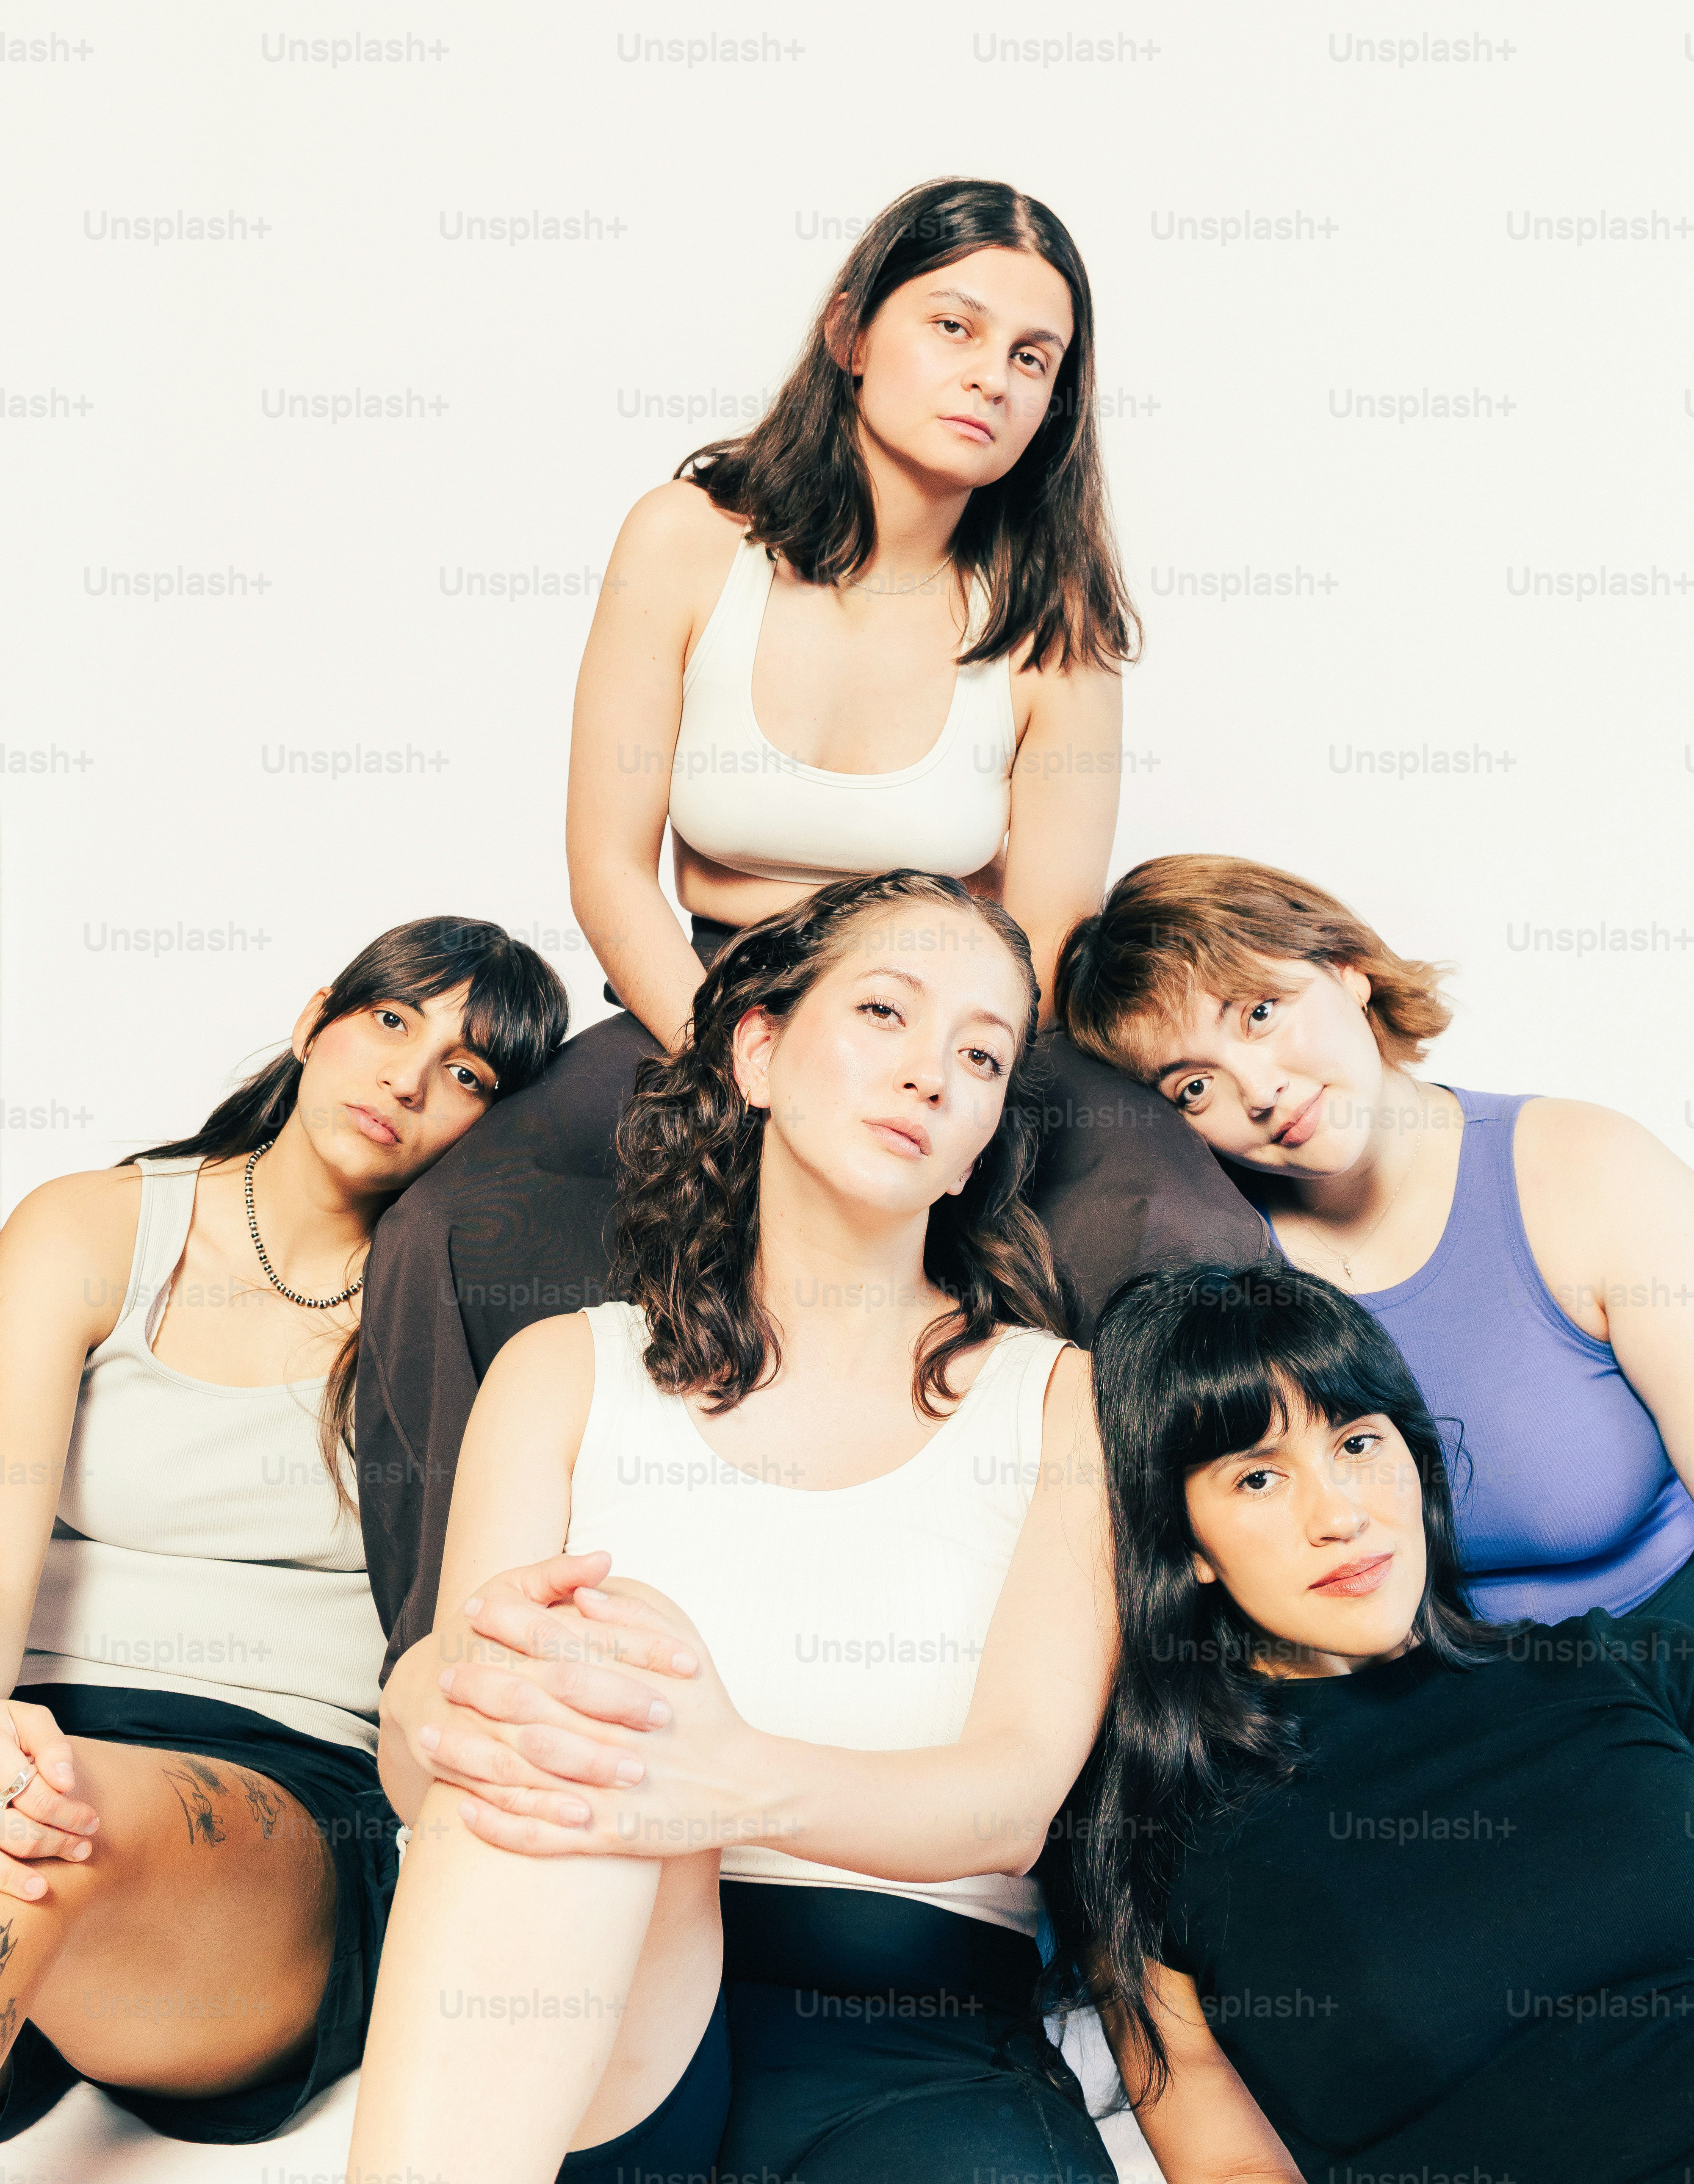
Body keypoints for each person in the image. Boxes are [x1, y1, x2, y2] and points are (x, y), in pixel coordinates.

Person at [355, 177, 1265, 1666]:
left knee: (1188, 1237)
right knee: (451, 1235)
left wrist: (925, 1062)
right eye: (954, 325)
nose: (992, 373)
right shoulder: (687, 537)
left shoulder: (1059, 614)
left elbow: (1038, 931)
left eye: (1036, 357)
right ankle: (456, 1689)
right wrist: (749, 1059)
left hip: (961, 1016)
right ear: (851, 331)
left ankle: (1179, 1732)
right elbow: (607, 868)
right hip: (704, 998)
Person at [346, 873, 1120, 2184]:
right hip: (589, 1998)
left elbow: (1011, 1803)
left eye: (979, 1054)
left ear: (985, 1132)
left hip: (908, 2036)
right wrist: (439, 1701)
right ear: (758, 1049)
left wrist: (719, 1775)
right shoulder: (563, 1369)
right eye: (886, 1010)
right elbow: (440, 1749)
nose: (932, 1073)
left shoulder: (1056, 1400)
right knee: (557, 1692)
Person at [0, 919, 567, 2145]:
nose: (407, 1079)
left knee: (42, 1837)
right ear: (318, 1020)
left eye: (469, 1074)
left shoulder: (466, 1315)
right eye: (392, 1020)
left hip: (278, 1807)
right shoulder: (93, 1228)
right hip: (22, 1730)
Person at [1049, 1258, 1694, 2184]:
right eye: (1257, 1478)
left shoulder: (1616, 1666)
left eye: (1355, 1443)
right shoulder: (1150, 1848)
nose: (1340, 1515)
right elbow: (1229, 2164)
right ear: (1184, 1544)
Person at [1055, 853, 1694, 1625]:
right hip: (1445, 1699)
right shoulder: (1217, 1267)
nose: (1258, 1092)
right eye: (1194, 1085)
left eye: (1261, 1012)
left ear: (1347, 967)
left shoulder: (1587, 1167)